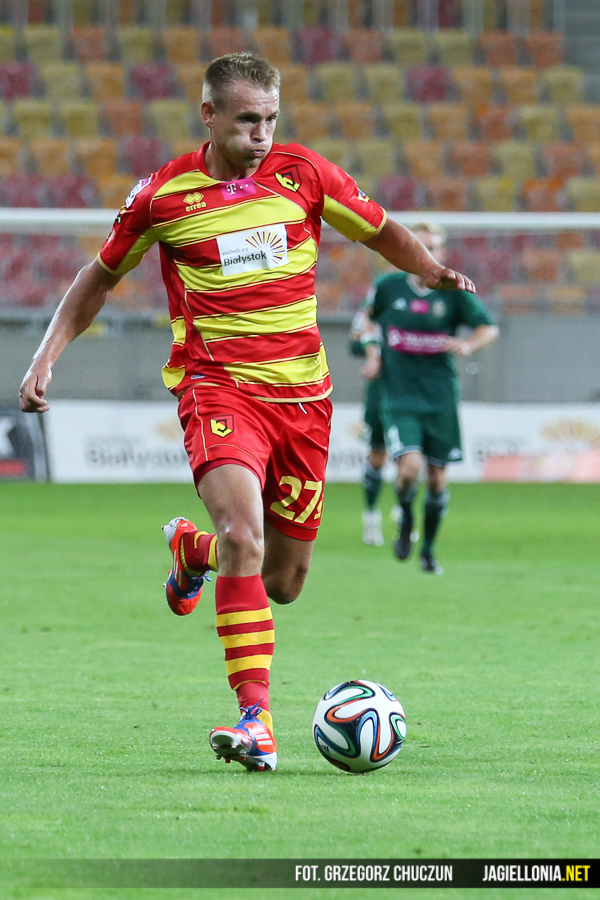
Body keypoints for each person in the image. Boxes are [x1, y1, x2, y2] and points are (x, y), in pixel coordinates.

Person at [19, 54, 475, 773]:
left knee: (282, 582)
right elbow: (98, 278)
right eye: (246, 120)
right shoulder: (164, 196)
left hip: (303, 401)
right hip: (218, 389)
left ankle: (191, 552)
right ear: (209, 116)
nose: (261, 135)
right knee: (242, 533)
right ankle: (255, 719)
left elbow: (379, 228)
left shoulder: (305, 175)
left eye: (270, 120)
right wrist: (45, 357)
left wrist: (424, 266)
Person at [362, 223, 499, 575]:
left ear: (442, 252)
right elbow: (366, 322)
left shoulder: (453, 290)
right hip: (399, 395)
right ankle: (407, 517)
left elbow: (489, 327)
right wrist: (373, 352)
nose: (429, 252)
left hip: (440, 397)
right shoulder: (388, 287)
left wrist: (467, 344)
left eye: (434, 247)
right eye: (421, 245)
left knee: (438, 478)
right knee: (409, 469)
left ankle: (428, 551)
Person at [348, 302, 389, 546]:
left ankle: (405, 517)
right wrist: (376, 350)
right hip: (380, 391)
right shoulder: (371, 306)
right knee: (377, 455)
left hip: (414, 389)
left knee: (412, 458)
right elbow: (354, 344)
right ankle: (371, 518)